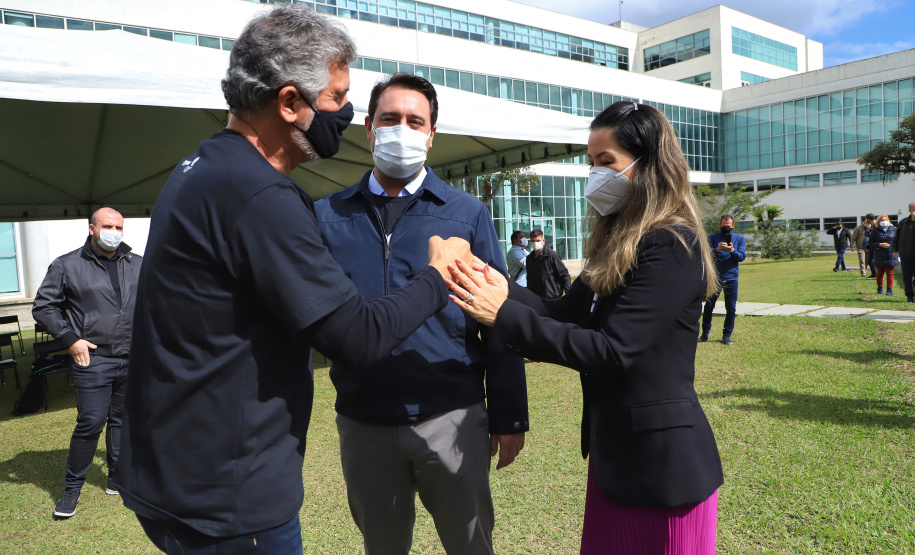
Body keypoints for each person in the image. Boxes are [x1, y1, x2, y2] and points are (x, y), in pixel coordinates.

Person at [117, 8, 472, 553]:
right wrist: (437, 272)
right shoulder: (262, 196)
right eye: (335, 97)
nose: (346, 113)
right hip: (229, 496)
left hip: (178, 471)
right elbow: (356, 336)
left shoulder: (203, 167)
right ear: (289, 103)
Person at [445, 101, 723, 554]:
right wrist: (501, 286)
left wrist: (502, 314)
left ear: (649, 164)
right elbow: (561, 314)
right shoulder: (616, 243)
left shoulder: (671, 244)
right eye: (592, 162)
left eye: (606, 162)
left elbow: (612, 351)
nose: (596, 174)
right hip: (617, 460)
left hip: (664, 468)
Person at [315, 72, 528, 555]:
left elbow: (497, 314)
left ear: (432, 135)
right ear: (369, 127)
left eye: (416, 121)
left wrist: (510, 414)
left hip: (451, 414)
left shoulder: (466, 213)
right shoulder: (327, 216)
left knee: (470, 544)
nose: (402, 130)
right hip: (363, 419)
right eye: (390, 119)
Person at [32, 207, 141, 518]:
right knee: (91, 422)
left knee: (121, 420)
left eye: (119, 226)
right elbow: (44, 307)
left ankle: (117, 479)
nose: (114, 232)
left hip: (131, 357)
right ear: (92, 228)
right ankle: (71, 490)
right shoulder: (67, 265)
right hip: (93, 358)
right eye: (107, 226)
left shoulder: (137, 263)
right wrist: (70, 339)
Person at [700, 214, 747, 345]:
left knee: (731, 308)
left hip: (731, 278)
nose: (726, 228)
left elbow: (741, 257)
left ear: (733, 225)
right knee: (709, 307)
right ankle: (705, 333)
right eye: (724, 226)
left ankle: (727, 335)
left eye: (729, 226)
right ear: (720, 224)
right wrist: (717, 249)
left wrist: (732, 250)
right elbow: (705, 254)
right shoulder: (712, 238)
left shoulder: (739, 239)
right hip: (714, 278)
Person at [526, 229, 571, 298]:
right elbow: (529, 278)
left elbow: (564, 275)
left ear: (543, 241)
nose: (535, 243)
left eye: (538, 241)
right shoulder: (529, 258)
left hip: (553, 297)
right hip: (536, 298)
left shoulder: (551, 256)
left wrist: (568, 294)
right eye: (533, 241)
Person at [870, 214, 897, 296]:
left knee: (890, 273)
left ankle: (889, 290)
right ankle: (880, 288)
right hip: (879, 254)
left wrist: (895, 249)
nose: (884, 221)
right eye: (882, 220)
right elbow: (871, 243)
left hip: (891, 254)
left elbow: (897, 240)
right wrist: (879, 244)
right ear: (878, 221)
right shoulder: (875, 231)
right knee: (880, 273)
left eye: (885, 219)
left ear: (888, 220)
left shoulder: (893, 229)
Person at [893, 202, 915, 303]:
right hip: (906, 255)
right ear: (910, 210)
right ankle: (909, 296)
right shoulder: (903, 223)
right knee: (907, 277)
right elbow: (896, 237)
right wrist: (894, 249)